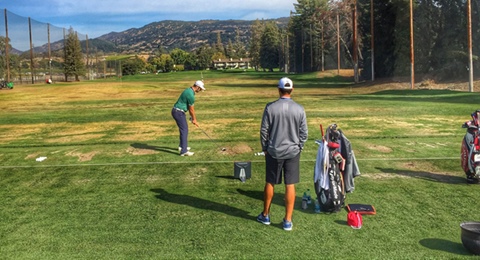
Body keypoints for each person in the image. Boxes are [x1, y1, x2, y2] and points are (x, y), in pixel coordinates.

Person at [257, 77, 308, 231]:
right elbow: (304, 133)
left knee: (270, 182)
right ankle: (287, 220)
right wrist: (300, 147)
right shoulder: (300, 109)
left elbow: (264, 131)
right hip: (292, 151)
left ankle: (265, 215)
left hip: (274, 151)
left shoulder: (270, 107)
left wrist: (265, 148)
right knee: (290, 184)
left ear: (278, 90)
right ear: (292, 90)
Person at [171, 80, 205, 156]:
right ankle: (184, 151)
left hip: (177, 111)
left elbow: (187, 106)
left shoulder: (188, 90)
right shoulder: (190, 95)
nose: (200, 90)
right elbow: (191, 109)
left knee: (183, 129)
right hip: (178, 112)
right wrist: (194, 119)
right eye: (200, 89)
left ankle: (182, 146)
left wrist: (191, 117)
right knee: (184, 130)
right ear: (197, 87)